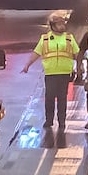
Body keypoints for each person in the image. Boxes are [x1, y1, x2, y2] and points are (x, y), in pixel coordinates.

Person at [19, 13, 79, 147]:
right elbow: (37, 53)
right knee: (50, 98)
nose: (62, 26)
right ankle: (49, 120)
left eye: (63, 23)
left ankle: (62, 121)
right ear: (52, 26)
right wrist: (27, 65)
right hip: (51, 74)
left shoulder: (69, 38)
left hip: (64, 74)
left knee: (62, 99)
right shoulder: (45, 39)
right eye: (59, 24)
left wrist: (80, 68)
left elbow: (77, 53)